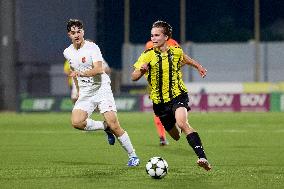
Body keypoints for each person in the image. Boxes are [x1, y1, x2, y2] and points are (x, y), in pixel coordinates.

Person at [131, 20, 211, 171]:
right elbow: (133, 77)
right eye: (152, 35)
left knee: (182, 123)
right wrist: (141, 71)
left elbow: (185, 59)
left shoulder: (176, 51)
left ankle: (202, 157)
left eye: (157, 35)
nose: (153, 38)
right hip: (159, 102)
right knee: (176, 136)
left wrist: (198, 66)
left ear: (166, 37)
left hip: (177, 94)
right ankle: (178, 124)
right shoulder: (147, 55)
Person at [63, 19, 140, 166]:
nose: (77, 35)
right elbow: (74, 72)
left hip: (101, 89)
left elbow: (100, 69)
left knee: (115, 124)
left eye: (79, 31)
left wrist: (81, 74)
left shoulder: (93, 47)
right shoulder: (67, 52)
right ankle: (105, 127)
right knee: (76, 122)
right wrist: (79, 92)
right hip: (85, 92)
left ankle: (133, 156)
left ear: (83, 32)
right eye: (73, 32)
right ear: (69, 35)